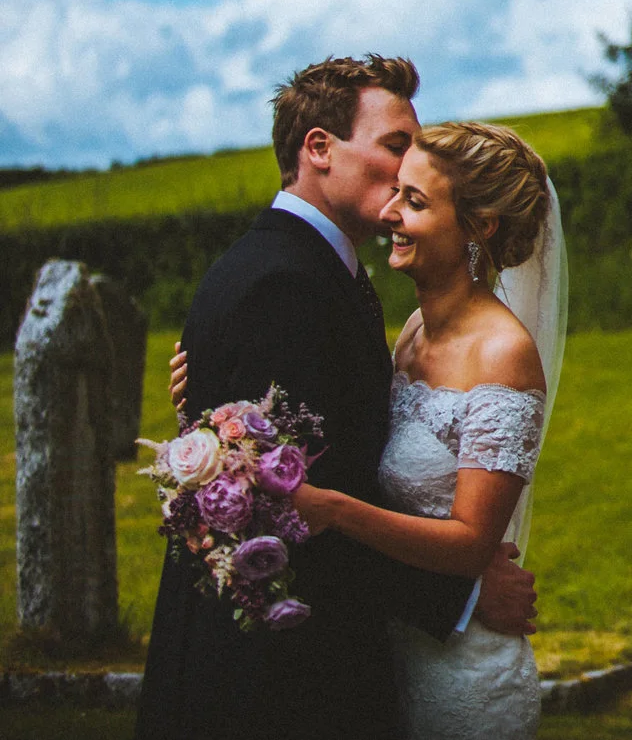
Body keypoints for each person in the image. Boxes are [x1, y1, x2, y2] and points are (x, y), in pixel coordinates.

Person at [139, 57, 540, 740]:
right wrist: (462, 594)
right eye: (394, 145)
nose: (409, 167)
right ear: (318, 148)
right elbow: (289, 509)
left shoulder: (321, 270)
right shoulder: (285, 285)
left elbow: (327, 455)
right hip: (270, 680)